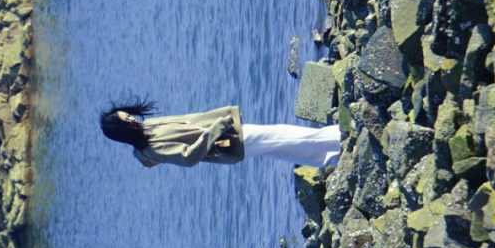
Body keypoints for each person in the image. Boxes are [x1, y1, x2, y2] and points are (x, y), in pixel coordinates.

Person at [99, 100, 341, 169]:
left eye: (128, 115)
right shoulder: (150, 148)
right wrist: (222, 125)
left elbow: (193, 121)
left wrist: (224, 119)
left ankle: (328, 156)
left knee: (278, 146)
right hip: (226, 142)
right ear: (124, 131)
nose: (132, 118)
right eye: (127, 120)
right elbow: (187, 157)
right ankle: (339, 139)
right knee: (279, 135)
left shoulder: (149, 126)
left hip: (226, 137)